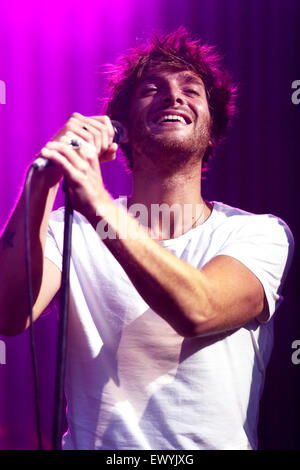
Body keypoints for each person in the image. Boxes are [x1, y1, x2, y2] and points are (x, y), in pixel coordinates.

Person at [0, 27, 294, 450]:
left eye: (191, 90)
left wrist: (98, 202)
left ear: (213, 131)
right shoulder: (73, 228)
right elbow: (9, 315)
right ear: (123, 131)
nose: (174, 97)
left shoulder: (257, 233)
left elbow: (200, 310)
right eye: (152, 89)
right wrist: (43, 182)